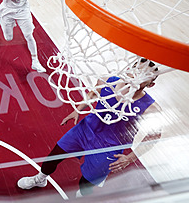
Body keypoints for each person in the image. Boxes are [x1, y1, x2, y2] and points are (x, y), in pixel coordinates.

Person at [17, 59, 163, 197]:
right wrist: (79, 109)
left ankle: (82, 195)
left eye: (145, 76)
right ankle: (40, 178)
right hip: (86, 129)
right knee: (54, 155)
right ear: (130, 68)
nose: (138, 76)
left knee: (86, 183)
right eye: (137, 70)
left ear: (151, 85)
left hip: (109, 146)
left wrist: (130, 158)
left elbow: (154, 135)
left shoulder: (151, 108)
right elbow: (93, 93)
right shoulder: (108, 80)